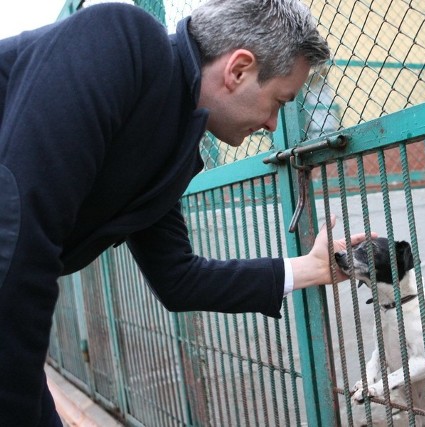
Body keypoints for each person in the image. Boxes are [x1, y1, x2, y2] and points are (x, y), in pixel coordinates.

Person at [0, 1, 370, 425]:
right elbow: (17, 238)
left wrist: (310, 269)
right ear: (238, 70)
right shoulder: (120, 39)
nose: (272, 124)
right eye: (279, 101)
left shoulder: (169, 138)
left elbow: (178, 279)